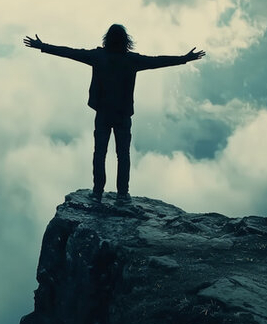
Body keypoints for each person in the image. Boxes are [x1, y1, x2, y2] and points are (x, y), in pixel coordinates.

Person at [23, 24, 205, 202]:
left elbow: (69, 52)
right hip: (123, 114)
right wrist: (185, 58)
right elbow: (158, 61)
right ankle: (122, 193)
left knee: (99, 153)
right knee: (123, 154)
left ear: (107, 39)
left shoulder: (98, 56)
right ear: (126, 41)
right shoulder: (132, 60)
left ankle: (97, 192)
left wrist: (43, 46)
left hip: (102, 113)